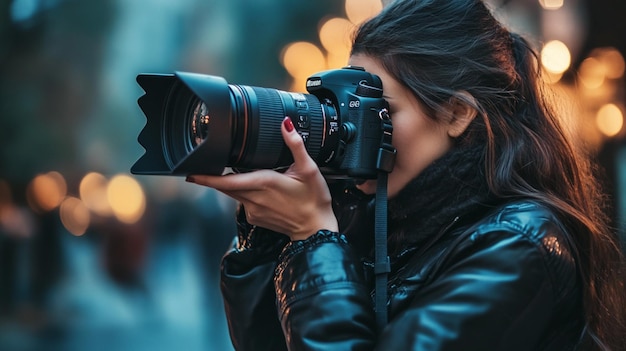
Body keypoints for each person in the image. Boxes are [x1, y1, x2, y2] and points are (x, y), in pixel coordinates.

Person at [185, 0, 626, 349]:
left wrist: (313, 238)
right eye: (351, 108)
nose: (358, 129)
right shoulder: (377, 217)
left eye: (383, 111)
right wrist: (268, 236)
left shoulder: (522, 242)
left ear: (457, 114)